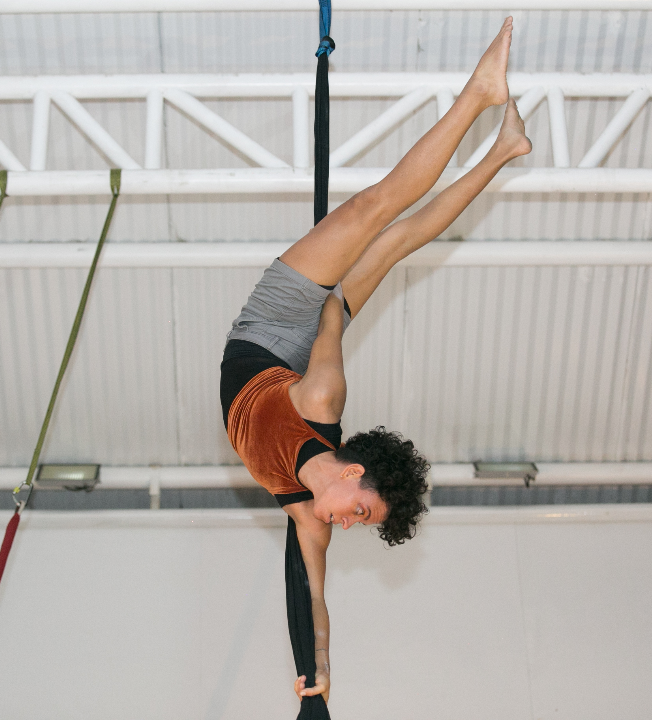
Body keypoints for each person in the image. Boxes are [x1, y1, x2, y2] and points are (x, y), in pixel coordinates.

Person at [219, 16, 530, 706]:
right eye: (363, 511)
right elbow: (329, 312)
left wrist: (319, 680)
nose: (351, 523)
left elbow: (315, 604)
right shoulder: (324, 399)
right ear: (353, 472)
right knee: (376, 212)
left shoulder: (307, 515)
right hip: (283, 323)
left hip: (281, 359)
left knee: (401, 238)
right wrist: (340, 269)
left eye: (361, 521)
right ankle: (480, 96)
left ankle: (505, 147)